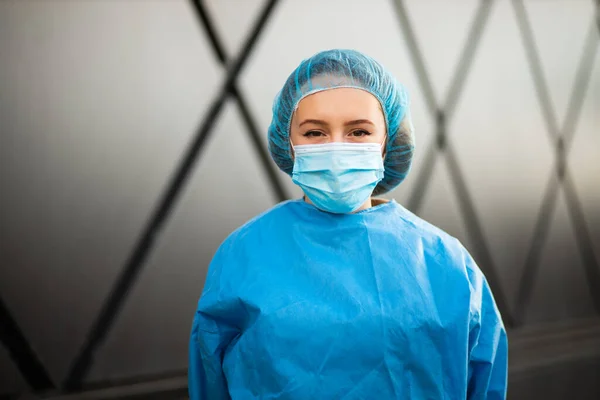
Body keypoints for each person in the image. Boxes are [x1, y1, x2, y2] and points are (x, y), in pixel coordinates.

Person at [188, 49, 508, 399]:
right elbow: (209, 380)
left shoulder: (447, 264)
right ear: (288, 142)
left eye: (358, 132)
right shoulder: (244, 254)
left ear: (388, 143)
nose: (336, 148)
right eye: (314, 133)